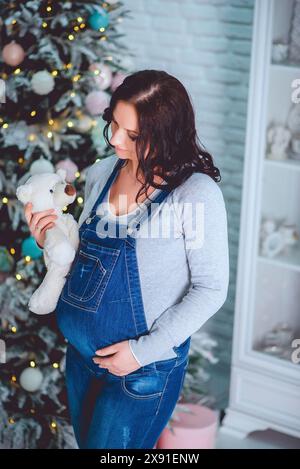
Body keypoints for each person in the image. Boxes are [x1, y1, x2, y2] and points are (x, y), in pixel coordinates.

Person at [24, 69, 229, 449]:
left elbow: (211, 289)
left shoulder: (195, 195)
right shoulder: (102, 173)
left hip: (143, 371)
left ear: (166, 135)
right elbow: (86, 263)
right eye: (114, 124)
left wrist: (139, 353)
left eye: (133, 135)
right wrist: (47, 239)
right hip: (82, 360)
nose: (116, 139)